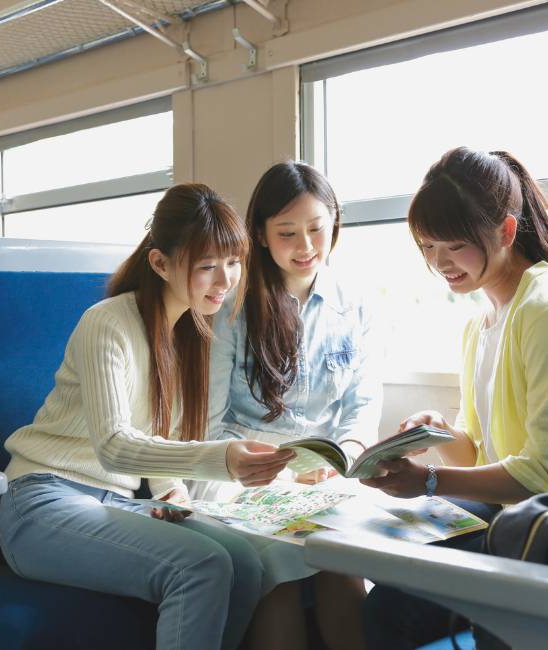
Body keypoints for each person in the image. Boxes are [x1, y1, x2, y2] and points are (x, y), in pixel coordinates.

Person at [0, 183, 297, 650]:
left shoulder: (186, 336)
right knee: (202, 566)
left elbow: (160, 445)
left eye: (233, 262)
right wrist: (221, 458)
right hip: (41, 504)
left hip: (112, 502)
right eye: (206, 266)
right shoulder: (107, 322)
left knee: (247, 562)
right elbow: (115, 445)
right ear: (160, 263)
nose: (225, 280)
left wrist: (170, 492)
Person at [361, 147, 548, 649]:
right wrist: (438, 434)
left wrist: (427, 480)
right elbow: (477, 453)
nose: (439, 262)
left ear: (506, 232)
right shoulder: (482, 323)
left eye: (453, 245)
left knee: (391, 606)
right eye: (428, 246)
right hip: (513, 512)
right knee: (379, 555)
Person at [201, 161, 383, 650]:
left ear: (335, 223)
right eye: (287, 233)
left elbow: (363, 400)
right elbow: (210, 423)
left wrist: (345, 451)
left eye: (316, 229)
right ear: (259, 234)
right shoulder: (232, 305)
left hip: (326, 473)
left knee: (341, 559)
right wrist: (275, 467)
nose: (305, 247)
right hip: (246, 471)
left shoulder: (355, 301)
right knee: (275, 567)